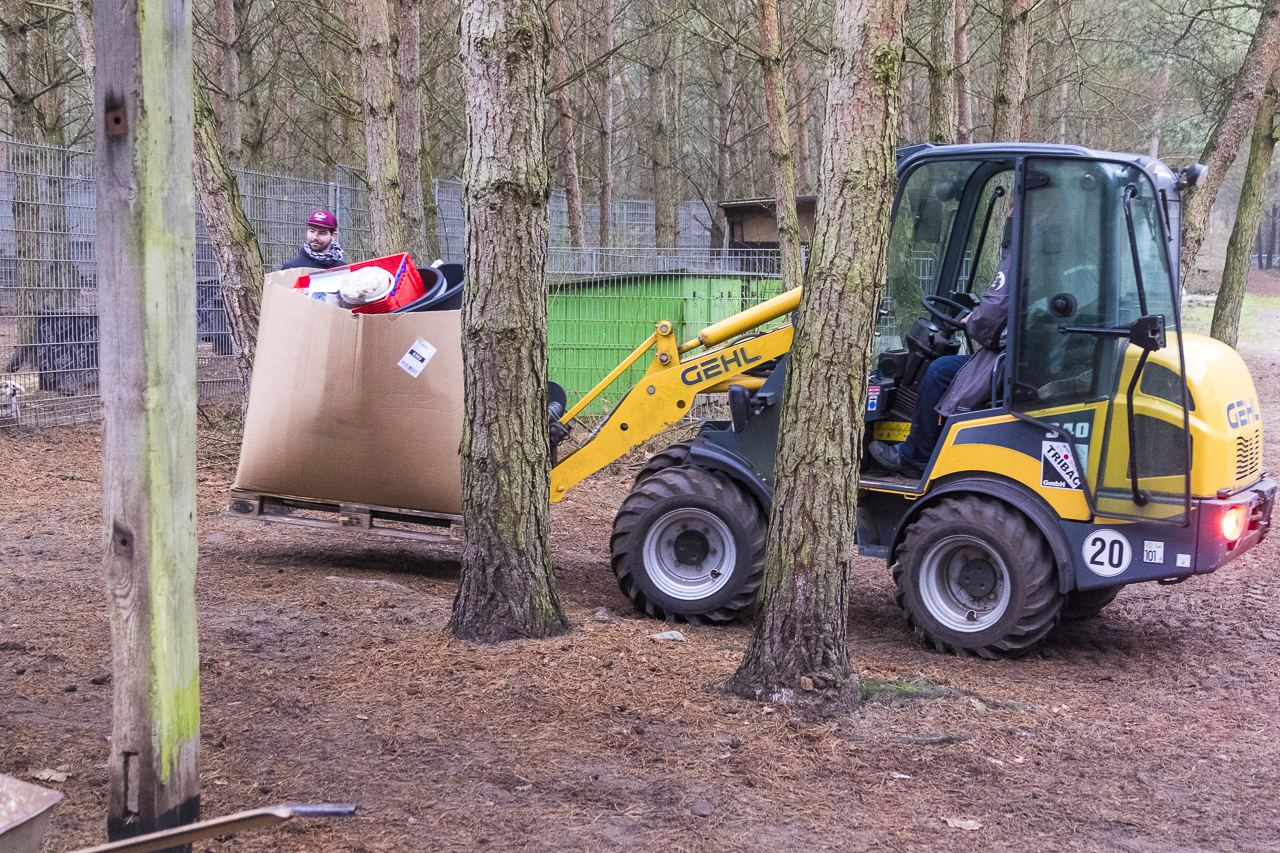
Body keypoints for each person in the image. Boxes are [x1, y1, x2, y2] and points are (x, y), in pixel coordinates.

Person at [869, 232, 1013, 478]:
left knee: (940, 370)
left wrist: (973, 319)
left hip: (1009, 361)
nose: (1009, 214)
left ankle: (916, 455)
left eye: (1011, 211)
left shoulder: (1020, 250)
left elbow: (991, 317)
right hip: (1016, 356)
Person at [281, 210, 345, 271]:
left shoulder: (343, 269)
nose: (315, 237)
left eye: (322, 233)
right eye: (312, 231)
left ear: (333, 236)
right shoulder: (293, 267)